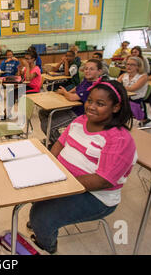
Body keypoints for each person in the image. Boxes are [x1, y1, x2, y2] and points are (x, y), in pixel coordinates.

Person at [29, 79, 136, 254]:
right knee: (34, 194)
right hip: (67, 181)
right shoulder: (80, 120)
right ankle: (42, 224)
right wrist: (48, 167)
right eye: (90, 101)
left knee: (41, 216)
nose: (91, 106)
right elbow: (59, 144)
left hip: (97, 196)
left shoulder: (119, 139)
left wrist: (61, 184)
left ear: (115, 107)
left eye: (100, 104)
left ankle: (47, 246)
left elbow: (103, 181)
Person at [39, 59, 103, 145]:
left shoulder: (94, 86)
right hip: (72, 108)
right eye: (86, 69)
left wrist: (64, 92)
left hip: (79, 114)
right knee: (43, 112)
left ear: (99, 71)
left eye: (91, 69)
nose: (87, 71)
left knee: (46, 125)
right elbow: (77, 88)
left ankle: (58, 145)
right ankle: (55, 138)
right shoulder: (86, 80)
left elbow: (73, 98)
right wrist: (68, 93)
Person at [117, 56, 148, 121]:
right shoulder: (124, 75)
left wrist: (121, 87)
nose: (129, 66)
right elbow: (116, 85)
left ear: (138, 67)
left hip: (135, 101)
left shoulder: (143, 76)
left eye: (132, 65)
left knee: (119, 107)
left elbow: (132, 89)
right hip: (125, 98)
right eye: (127, 64)